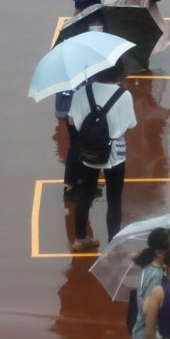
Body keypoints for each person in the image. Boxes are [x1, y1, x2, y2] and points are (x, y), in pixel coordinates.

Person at [67, 67, 137, 251]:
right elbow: (131, 125)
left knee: (85, 194)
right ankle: (114, 244)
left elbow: (72, 122)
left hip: (88, 150)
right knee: (114, 199)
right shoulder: (125, 95)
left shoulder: (81, 93)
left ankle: (80, 238)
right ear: (119, 75)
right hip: (115, 153)